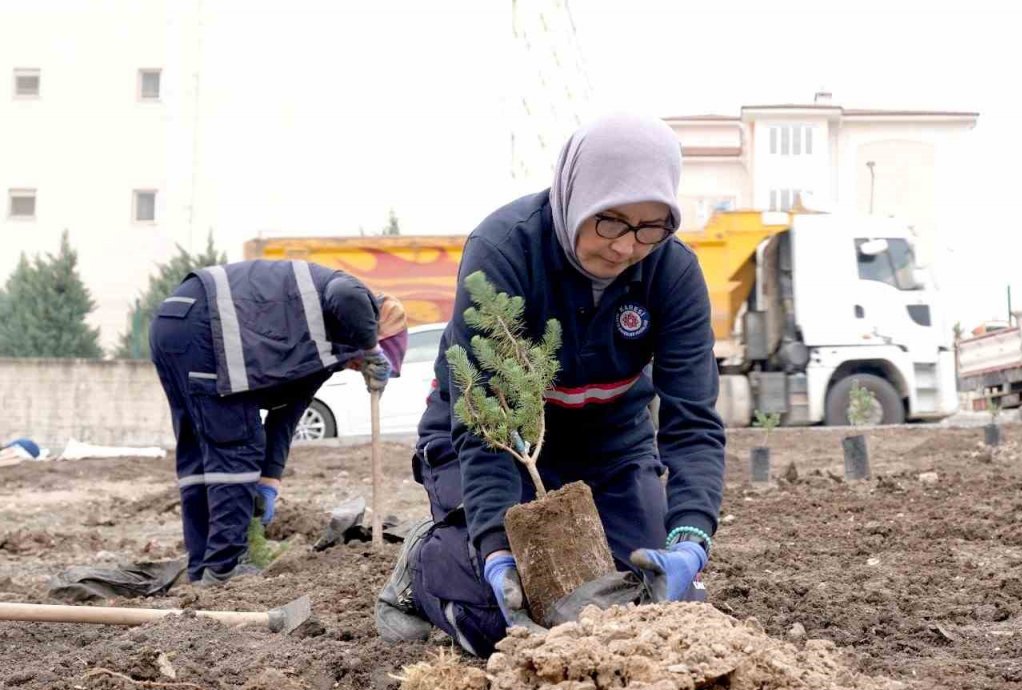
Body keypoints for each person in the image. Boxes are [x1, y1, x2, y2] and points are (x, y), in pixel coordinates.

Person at [376, 114, 726, 655]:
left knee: (657, 613)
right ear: (574, 195)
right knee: (500, 620)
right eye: (609, 221)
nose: (625, 247)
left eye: (651, 227)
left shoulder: (672, 273)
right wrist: (494, 544)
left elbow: (693, 423)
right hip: (493, 441)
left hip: (608, 446)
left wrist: (691, 541)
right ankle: (423, 563)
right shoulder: (504, 251)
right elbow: (482, 419)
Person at [150, 260, 407, 584]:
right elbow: (345, 295)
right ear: (368, 330)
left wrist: (269, 481)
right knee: (238, 446)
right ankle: (224, 569)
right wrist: (371, 348)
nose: (358, 367)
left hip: (174, 322)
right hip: (209, 324)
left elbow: (286, 417)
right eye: (368, 360)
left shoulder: (320, 357)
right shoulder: (357, 298)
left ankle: (202, 568)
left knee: (199, 453)